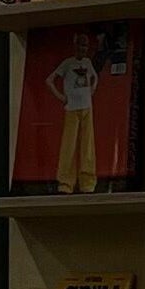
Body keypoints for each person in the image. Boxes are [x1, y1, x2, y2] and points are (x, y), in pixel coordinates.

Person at [44, 32, 102, 196]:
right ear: (74, 46)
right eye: (79, 45)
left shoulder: (87, 62)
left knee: (87, 145)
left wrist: (93, 88)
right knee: (68, 145)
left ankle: (87, 183)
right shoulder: (68, 63)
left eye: (85, 45)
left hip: (87, 108)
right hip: (72, 109)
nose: (82, 49)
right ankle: (65, 183)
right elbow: (49, 80)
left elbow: (95, 77)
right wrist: (61, 97)